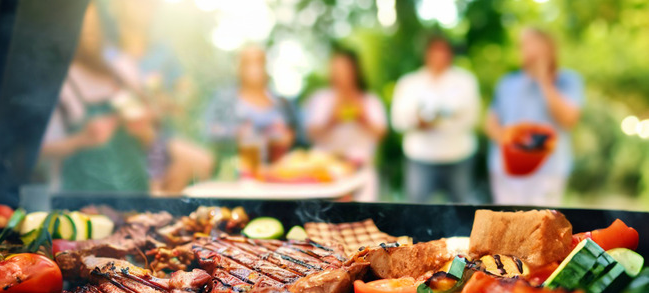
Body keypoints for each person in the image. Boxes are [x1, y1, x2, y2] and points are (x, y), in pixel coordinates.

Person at [39, 3, 150, 193]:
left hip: (135, 189)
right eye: (83, 23)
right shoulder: (58, 80)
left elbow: (149, 135)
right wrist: (82, 139)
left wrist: (142, 126)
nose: (89, 30)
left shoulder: (120, 67)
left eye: (93, 23)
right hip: (81, 197)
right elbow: (39, 150)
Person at [107, 0, 213, 193]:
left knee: (200, 162)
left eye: (150, 4)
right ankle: (155, 200)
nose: (146, 7)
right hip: (123, 135)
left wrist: (170, 99)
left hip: (161, 135)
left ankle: (160, 208)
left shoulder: (162, 52)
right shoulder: (108, 54)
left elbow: (186, 94)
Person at [485, 27, 584, 206]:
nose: (526, 50)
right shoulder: (507, 83)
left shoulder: (568, 80)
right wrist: (515, 144)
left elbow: (569, 119)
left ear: (548, 48)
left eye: (532, 44)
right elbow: (491, 123)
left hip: (548, 172)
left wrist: (544, 80)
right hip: (507, 172)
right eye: (523, 45)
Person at [391, 36, 480, 203]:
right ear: (426, 54)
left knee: (461, 209)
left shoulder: (465, 81)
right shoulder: (409, 83)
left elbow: (471, 118)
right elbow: (398, 120)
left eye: (443, 51)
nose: (439, 56)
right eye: (435, 51)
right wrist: (417, 122)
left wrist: (441, 122)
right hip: (420, 157)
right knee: (416, 209)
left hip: (458, 156)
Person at [304, 48, 388, 201]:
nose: (340, 74)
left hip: (361, 171)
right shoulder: (321, 98)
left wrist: (362, 118)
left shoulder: (370, 100)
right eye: (336, 68)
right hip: (325, 173)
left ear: (355, 70)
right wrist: (332, 120)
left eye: (344, 68)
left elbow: (381, 134)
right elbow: (310, 134)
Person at [204, 46, 297, 175]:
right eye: (248, 62)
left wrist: (287, 137)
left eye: (258, 61)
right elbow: (209, 132)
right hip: (236, 176)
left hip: (276, 175)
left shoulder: (281, 103)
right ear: (239, 67)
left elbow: (298, 137)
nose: (254, 68)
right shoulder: (224, 99)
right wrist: (236, 133)